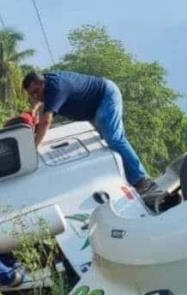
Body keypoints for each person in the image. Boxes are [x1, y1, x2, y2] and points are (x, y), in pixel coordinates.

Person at [22, 71, 162, 199]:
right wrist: (33, 111)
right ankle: (131, 180)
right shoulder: (46, 86)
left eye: (36, 91)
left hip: (105, 96)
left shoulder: (57, 88)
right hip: (95, 107)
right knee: (106, 144)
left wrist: (33, 147)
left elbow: (46, 121)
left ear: (43, 83)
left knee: (114, 138)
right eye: (32, 94)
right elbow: (41, 109)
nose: (36, 96)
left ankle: (143, 181)